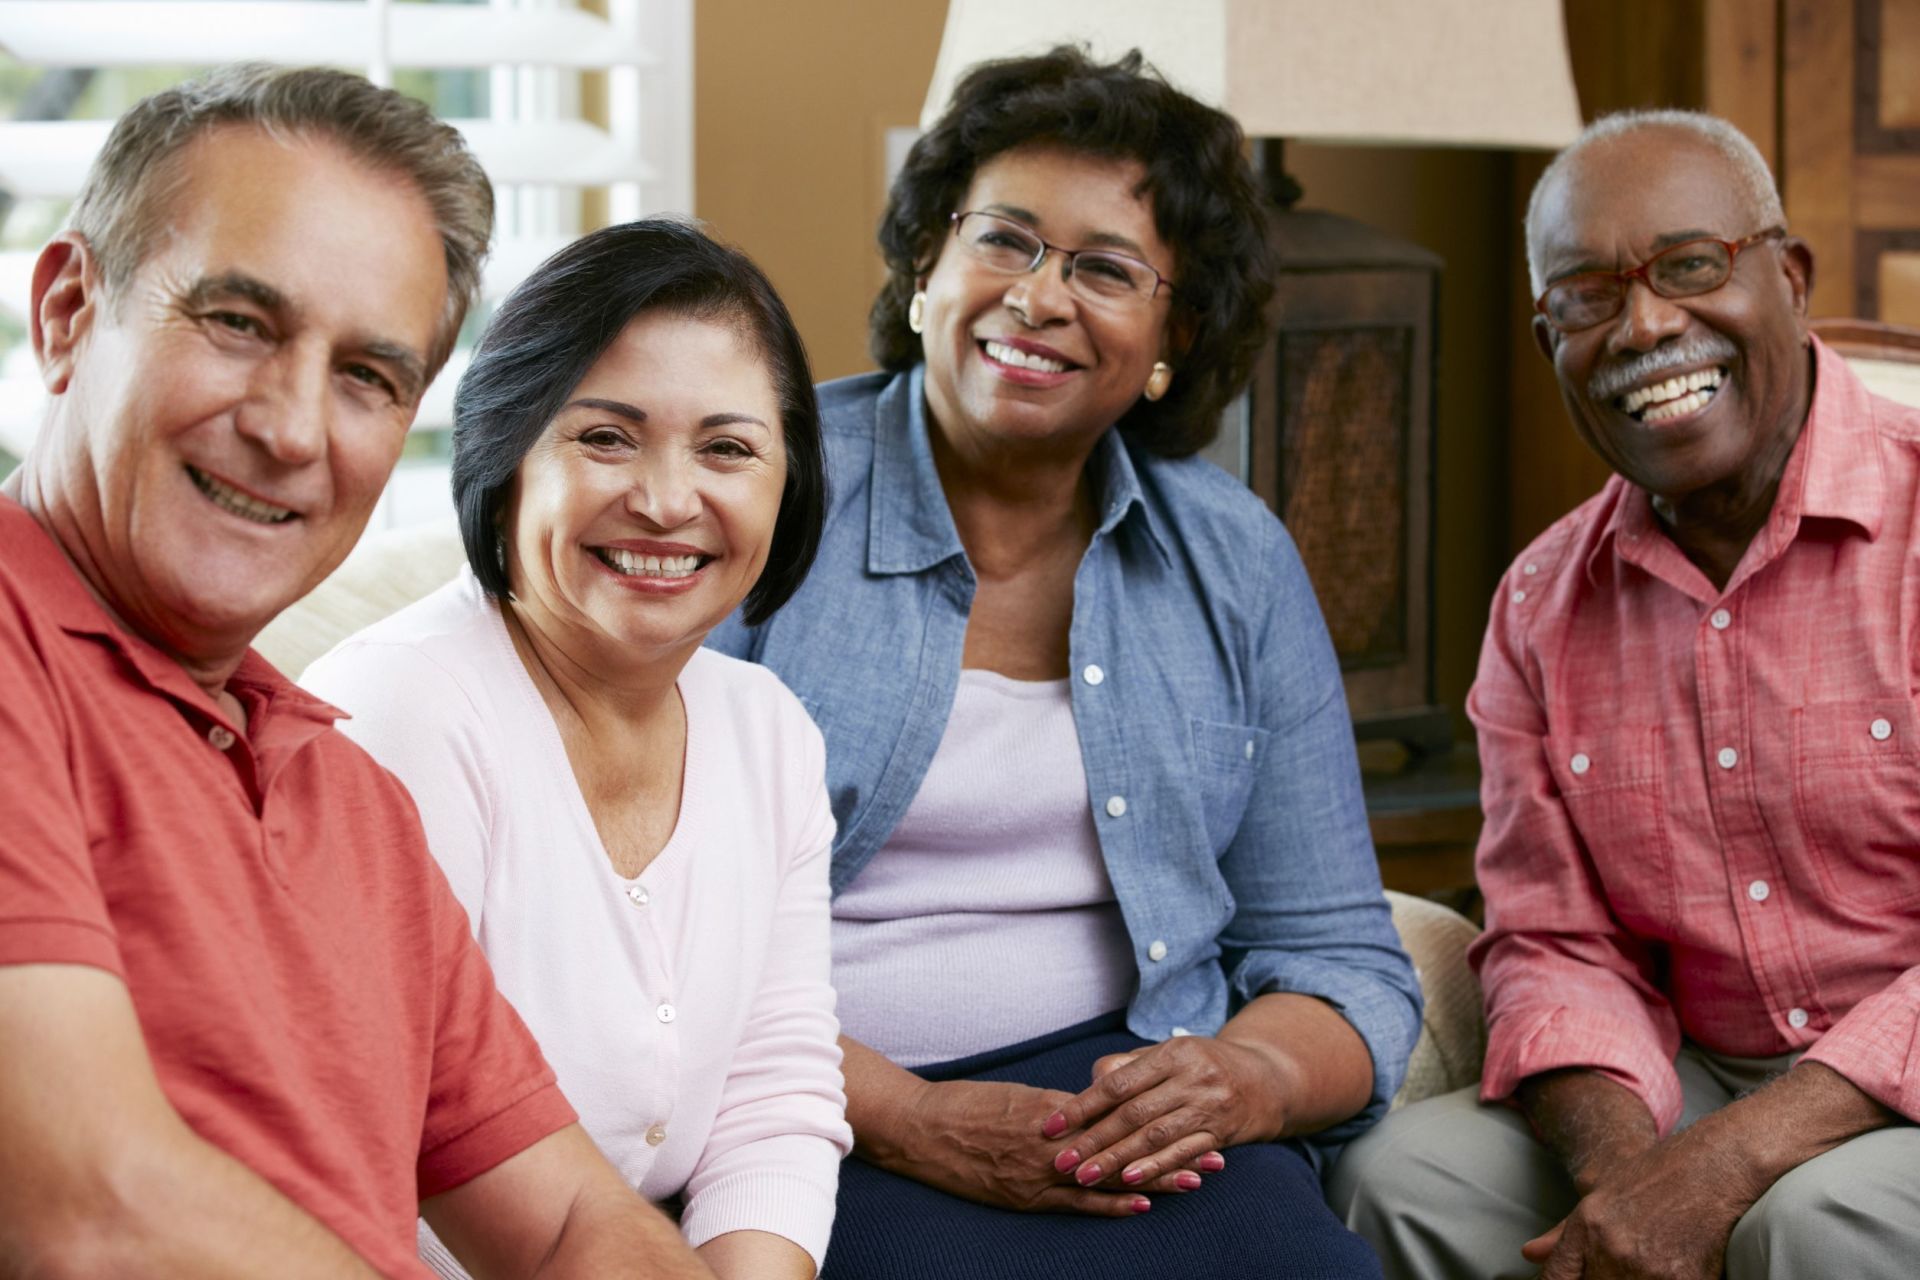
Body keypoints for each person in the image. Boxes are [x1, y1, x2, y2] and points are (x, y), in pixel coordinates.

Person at [708, 46, 1419, 1278]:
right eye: (1005, 241)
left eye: (1104, 268)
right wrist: (911, 1117)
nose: (1039, 298)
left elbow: (1342, 958)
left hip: (1130, 1100)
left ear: (1172, 336)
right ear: (927, 264)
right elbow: (634, 934)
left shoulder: (1234, 560)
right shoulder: (759, 488)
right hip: (811, 1104)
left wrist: (1241, 1077)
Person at [0, 64, 710, 1278]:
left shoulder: (349, 799)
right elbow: (92, 1211)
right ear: (70, 309)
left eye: (367, 377)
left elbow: (572, 1222)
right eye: (238, 323)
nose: (290, 427)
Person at [1330, 109, 1920, 1280]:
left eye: (1690, 266)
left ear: (1789, 278)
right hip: (1697, 1074)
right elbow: (1554, 941)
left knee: (1810, 1220)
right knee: (1402, 1183)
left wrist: (1729, 1164)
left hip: (1894, 1089)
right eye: (1589, 298)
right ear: (1553, 338)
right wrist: (1625, 1185)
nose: (1646, 324)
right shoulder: (1541, 603)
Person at [302, 219, 850, 1279]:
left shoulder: (769, 728)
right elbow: (371, 1156)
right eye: (606, 436)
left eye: (727, 447)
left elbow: (773, 1095)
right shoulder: (399, 714)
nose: (666, 499)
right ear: (506, 454)